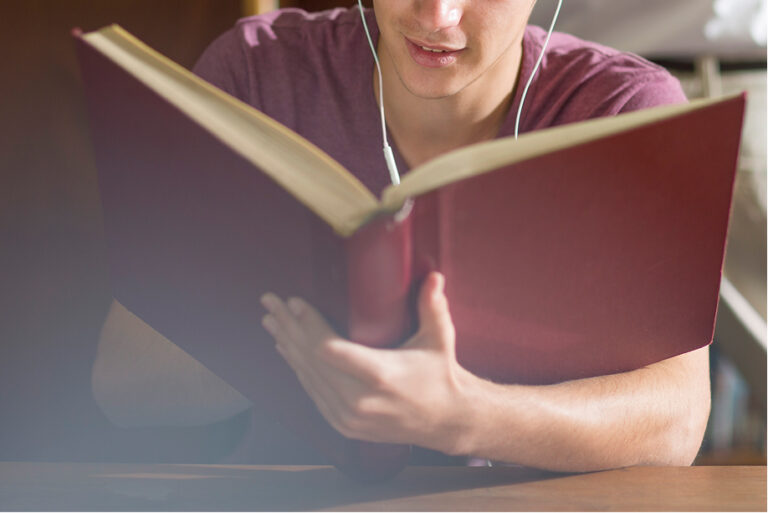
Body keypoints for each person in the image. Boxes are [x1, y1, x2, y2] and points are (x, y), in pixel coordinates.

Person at [92, 1, 711, 471]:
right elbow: (124, 384)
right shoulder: (257, 74)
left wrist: (467, 417)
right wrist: (315, 341)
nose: (437, 16)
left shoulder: (623, 111)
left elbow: (677, 422)